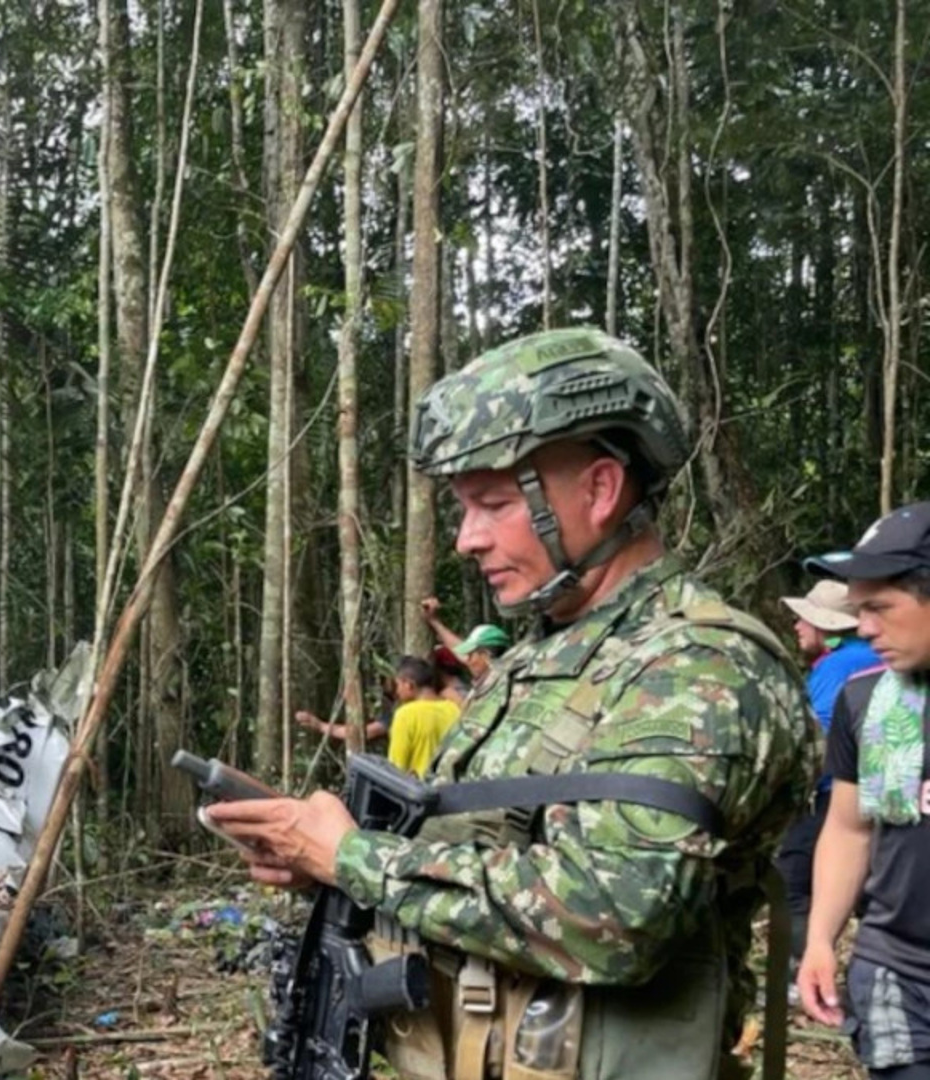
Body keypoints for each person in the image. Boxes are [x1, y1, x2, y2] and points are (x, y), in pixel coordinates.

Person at [206, 327, 814, 1080]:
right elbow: (482, 855)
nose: (466, 539)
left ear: (598, 491)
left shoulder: (700, 667)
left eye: (491, 504)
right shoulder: (533, 662)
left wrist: (355, 858)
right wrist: (322, 860)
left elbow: (617, 914)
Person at [796, 503, 930, 1080]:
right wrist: (822, 938)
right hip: (899, 971)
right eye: (858, 610)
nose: (864, 627)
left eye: (878, 608)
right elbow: (850, 828)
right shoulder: (866, 700)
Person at [775, 578, 881, 980]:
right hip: (880, 797)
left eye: (805, 619)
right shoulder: (872, 659)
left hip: (835, 794)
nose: (797, 627)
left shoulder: (838, 668)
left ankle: (800, 973)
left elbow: (812, 736)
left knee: (794, 883)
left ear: (829, 629)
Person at [386, 655, 460, 778]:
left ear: (408, 684)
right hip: (450, 788)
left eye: (398, 684)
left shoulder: (405, 715)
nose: (397, 691)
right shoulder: (454, 709)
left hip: (420, 790)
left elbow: (395, 768)